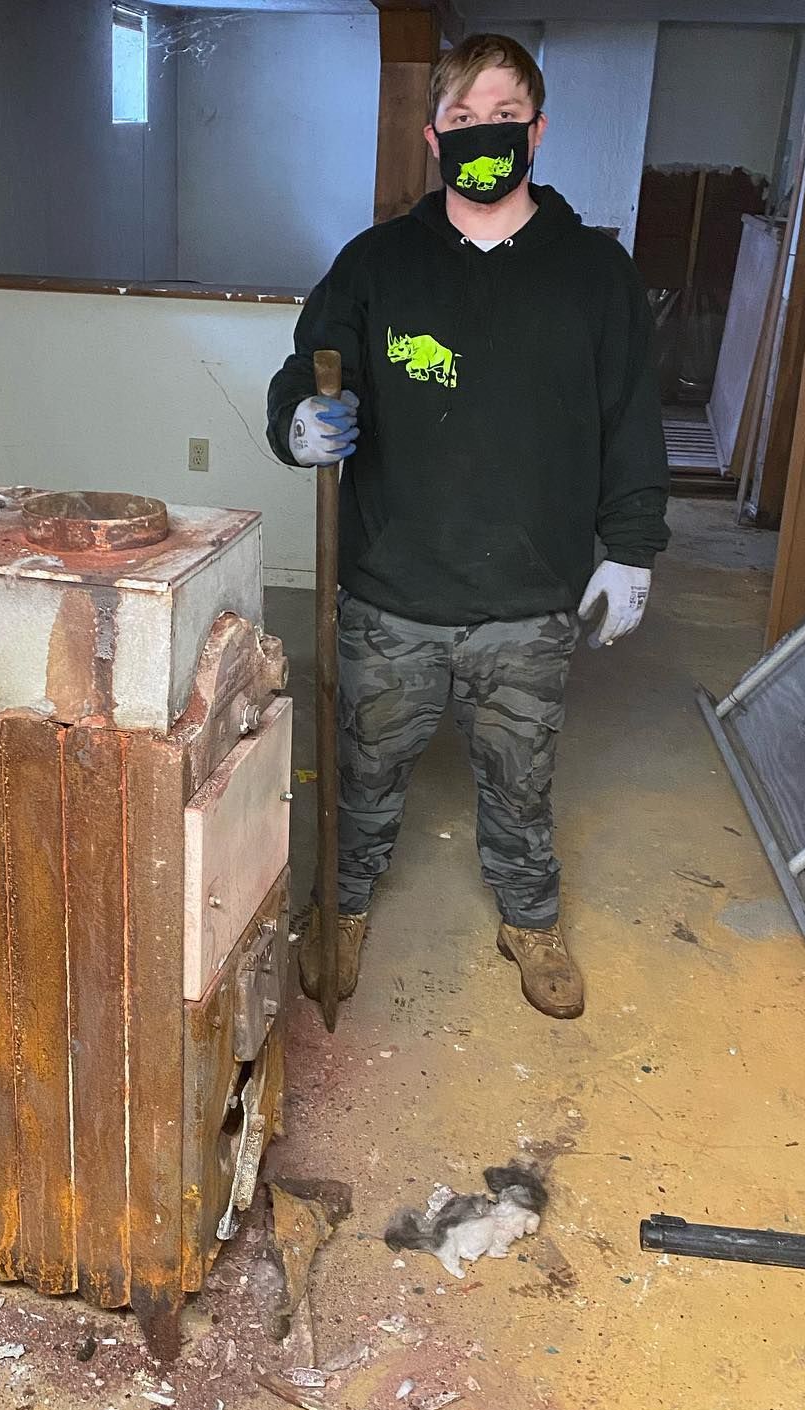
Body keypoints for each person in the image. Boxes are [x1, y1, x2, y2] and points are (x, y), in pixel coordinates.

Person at [266, 33, 669, 1021]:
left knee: (521, 781)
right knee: (362, 772)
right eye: (461, 116)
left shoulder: (593, 275)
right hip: (395, 588)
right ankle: (343, 909)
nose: (481, 129)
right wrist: (297, 425)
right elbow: (304, 370)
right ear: (431, 134)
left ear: (536, 129)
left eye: (502, 113)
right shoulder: (375, 266)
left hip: (528, 598)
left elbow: (631, 419)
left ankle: (530, 920)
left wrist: (631, 549)